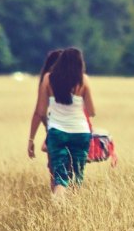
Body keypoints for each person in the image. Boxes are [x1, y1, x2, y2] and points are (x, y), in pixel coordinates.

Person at [28, 47, 95, 195]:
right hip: (80, 133)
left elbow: (40, 111)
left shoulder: (48, 78)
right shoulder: (84, 80)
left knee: (59, 178)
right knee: (77, 177)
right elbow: (92, 111)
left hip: (57, 133)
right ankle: (72, 212)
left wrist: (31, 139)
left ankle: (58, 208)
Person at [37, 49, 63, 152]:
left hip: (55, 126)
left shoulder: (47, 79)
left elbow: (40, 112)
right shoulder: (74, 79)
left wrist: (47, 126)